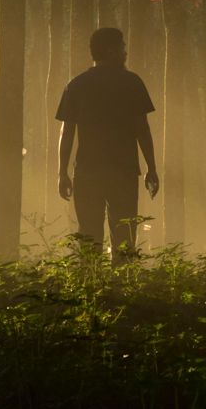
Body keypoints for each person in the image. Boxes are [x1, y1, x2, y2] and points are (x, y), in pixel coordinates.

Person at [55, 27, 160, 260]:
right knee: (125, 233)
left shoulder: (77, 85)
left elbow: (67, 132)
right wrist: (151, 168)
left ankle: (91, 286)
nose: (125, 52)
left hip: (88, 172)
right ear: (111, 51)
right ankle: (121, 286)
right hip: (123, 171)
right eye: (122, 47)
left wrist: (62, 172)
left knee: (89, 234)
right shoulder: (132, 82)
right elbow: (142, 128)